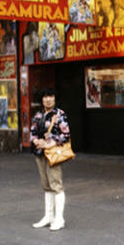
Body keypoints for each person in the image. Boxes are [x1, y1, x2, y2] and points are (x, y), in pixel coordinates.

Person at [29, 88, 70, 231]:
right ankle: (48, 216)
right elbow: (32, 132)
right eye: (45, 97)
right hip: (40, 153)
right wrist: (36, 142)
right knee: (46, 186)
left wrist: (50, 143)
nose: (48, 99)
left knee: (56, 184)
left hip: (53, 153)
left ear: (55, 98)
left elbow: (65, 135)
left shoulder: (60, 114)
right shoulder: (38, 115)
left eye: (51, 96)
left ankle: (59, 218)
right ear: (42, 99)